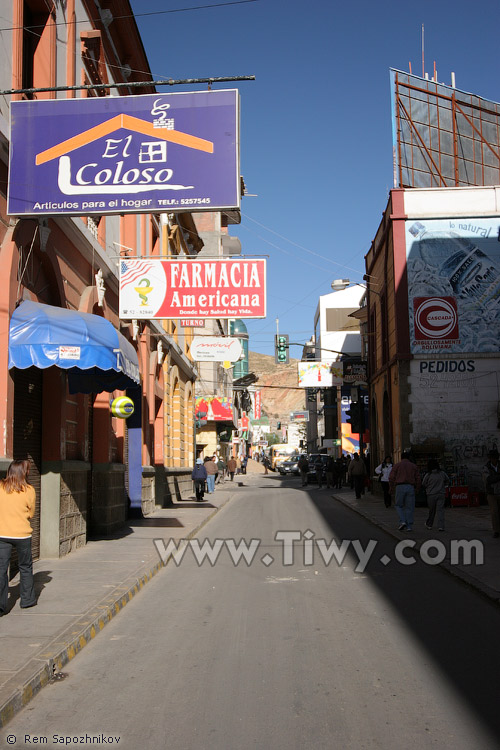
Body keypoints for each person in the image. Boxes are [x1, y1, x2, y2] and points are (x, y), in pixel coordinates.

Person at [0, 459, 37, 615]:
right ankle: (27, 600)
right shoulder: (29, 490)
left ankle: (1, 606)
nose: (29, 472)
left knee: (1, 570)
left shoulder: (1, 487)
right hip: (22, 535)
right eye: (27, 470)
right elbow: (31, 513)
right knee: (25, 568)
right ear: (23, 472)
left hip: (2, 534)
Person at [389, 451, 421, 532]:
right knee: (409, 507)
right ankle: (409, 525)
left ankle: (402, 521)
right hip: (410, 486)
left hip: (400, 486)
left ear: (401, 457)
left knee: (398, 505)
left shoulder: (397, 466)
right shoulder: (413, 466)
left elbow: (391, 477)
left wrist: (391, 487)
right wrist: (417, 488)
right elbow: (418, 478)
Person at [423, 459, 449, 531]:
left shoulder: (428, 474)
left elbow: (424, 483)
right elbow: (447, 480)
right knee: (440, 510)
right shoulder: (442, 473)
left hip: (431, 494)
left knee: (432, 510)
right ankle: (441, 526)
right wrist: (444, 485)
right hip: (441, 493)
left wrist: (428, 487)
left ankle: (429, 524)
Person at [482, 448, 500, 538]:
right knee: (494, 512)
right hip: (491, 493)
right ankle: (496, 530)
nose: (493, 460)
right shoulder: (486, 467)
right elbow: (488, 479)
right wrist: (498, 477)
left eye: (495, 458)